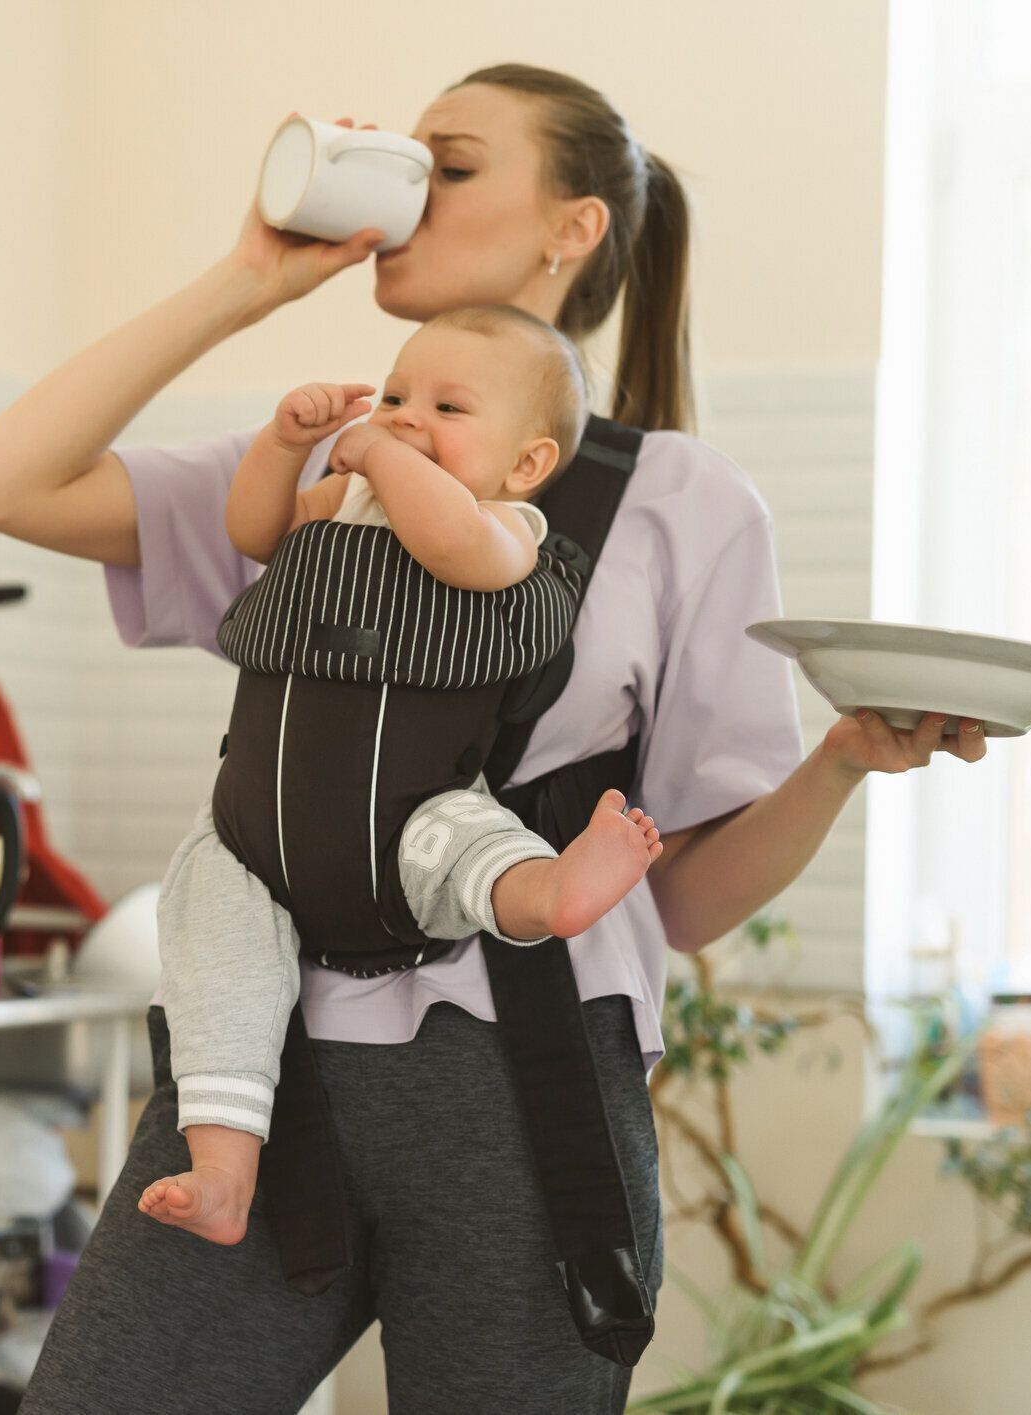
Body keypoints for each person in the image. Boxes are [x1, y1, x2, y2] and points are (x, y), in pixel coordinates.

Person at [0, 63, 988, 1413]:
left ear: (573, 227)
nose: (406, 188)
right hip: (254, 1083)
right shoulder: (317, 473)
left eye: (452, 164)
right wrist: (249, 278)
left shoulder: (678, 502)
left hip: (527, 1088)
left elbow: (682, 901)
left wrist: (841, 757)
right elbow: (0, 480)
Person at [140, 307, 665, 1248]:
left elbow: (452, 546)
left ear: (528, 463)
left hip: (411, 820)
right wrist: (284, 443)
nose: (407, 417)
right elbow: (254, 532)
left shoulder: (510, 526)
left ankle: (554, 888)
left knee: (476, 847)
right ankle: (222, 1170)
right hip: (254, 836)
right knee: (211, 943)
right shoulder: (341, 501)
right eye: (393, 395)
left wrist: (380, 455)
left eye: (448, 406)